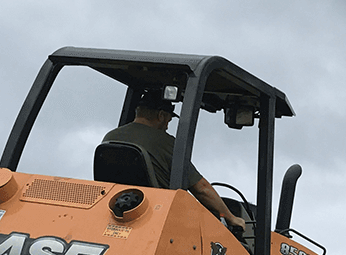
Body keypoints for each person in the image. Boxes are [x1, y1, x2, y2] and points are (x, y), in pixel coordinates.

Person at [103, 92, 245, 231]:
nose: (166, 126)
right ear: (161, 116)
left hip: (113, 213)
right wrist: (231, 217)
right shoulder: (165, 142)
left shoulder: (110, 137)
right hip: (158, 217)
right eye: (168, 121)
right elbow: (201, 188)